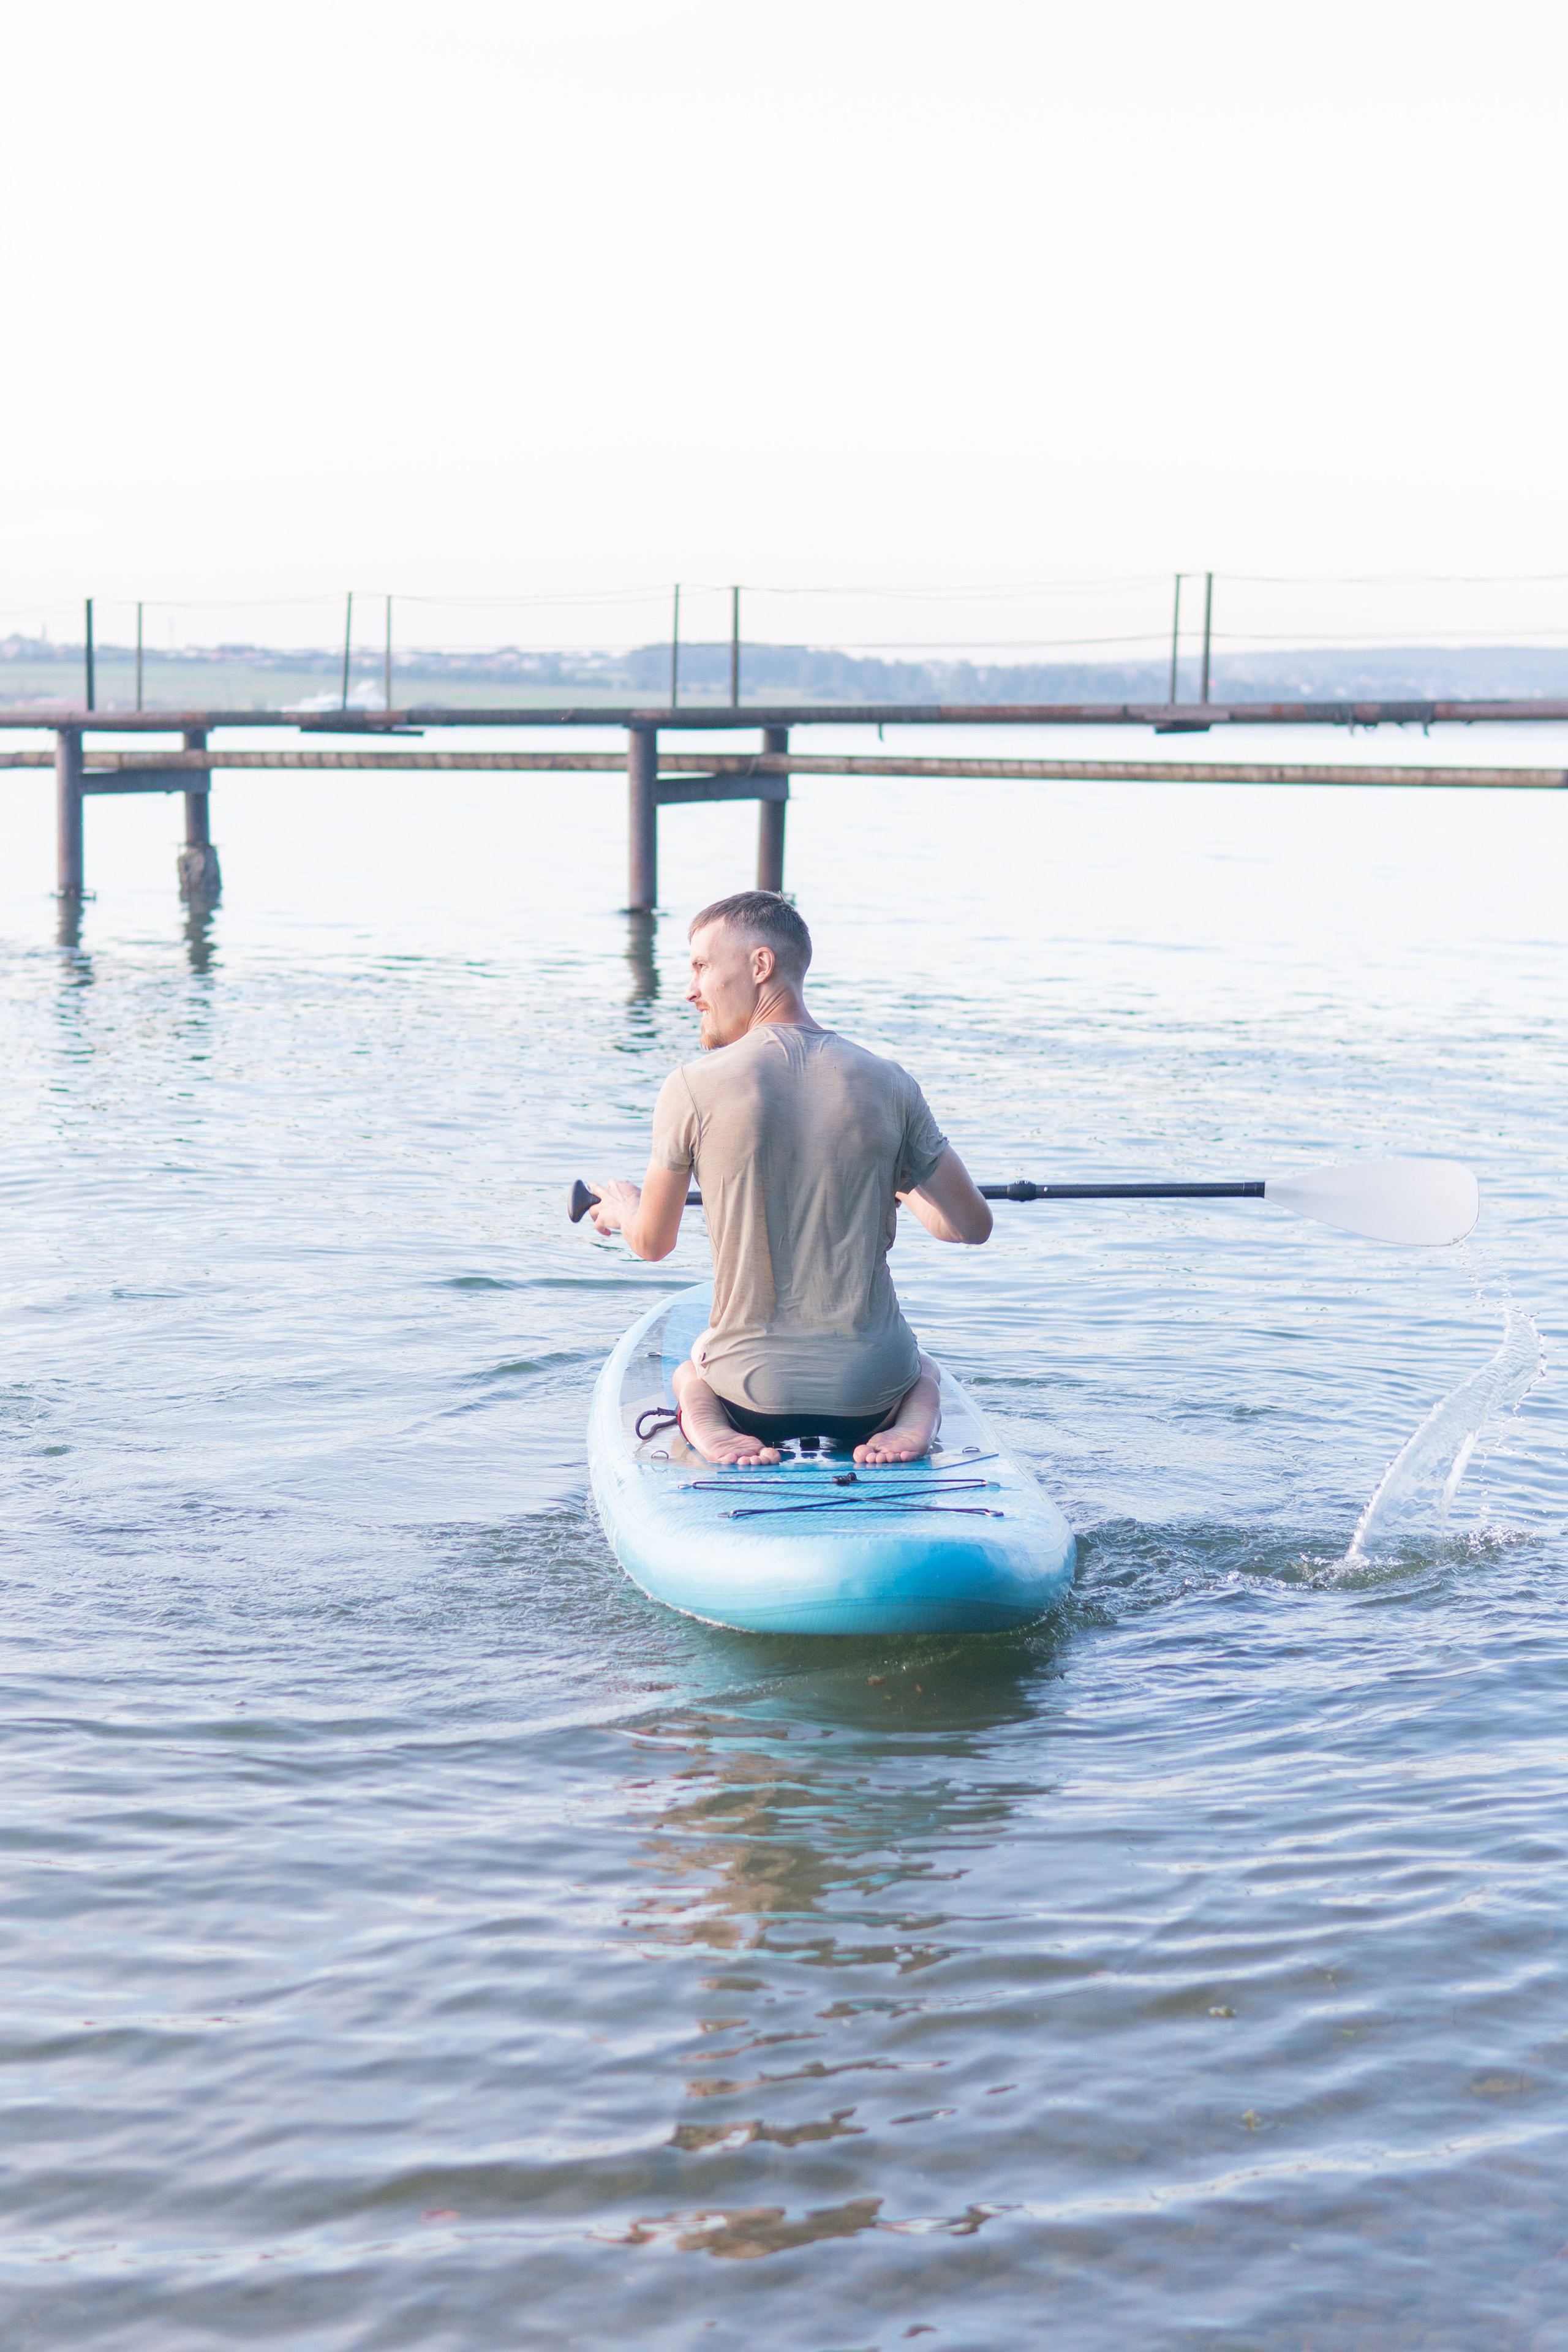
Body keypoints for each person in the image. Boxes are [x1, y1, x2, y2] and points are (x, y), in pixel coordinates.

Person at [588, 891, 993, 1466]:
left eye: (702, 965)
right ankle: (915, 1423)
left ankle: (705, 1424)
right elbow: (969, 1225)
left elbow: (653, 1243)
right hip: (868, 1395)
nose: (690, 989)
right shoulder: (890, 1082)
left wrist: (624, 1205)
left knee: (691, 1370)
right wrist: (891, 1178)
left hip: (748, 1396)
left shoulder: (691, 1086)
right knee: (922, 1371)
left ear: (760, 965)